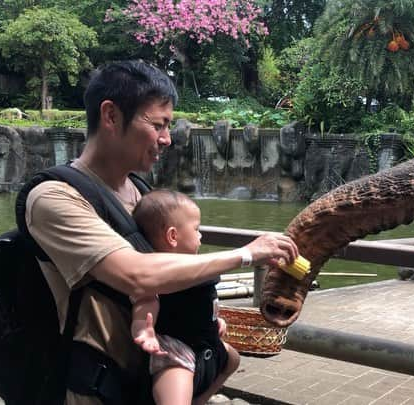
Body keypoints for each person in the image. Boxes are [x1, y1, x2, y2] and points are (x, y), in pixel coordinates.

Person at [24, 60, 298, 404]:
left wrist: (199, 321)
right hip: (94, 390)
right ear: (111, 116)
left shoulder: (142, 193)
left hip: (141, 382)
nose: (167, 139)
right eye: (159, 125)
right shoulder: (54, 197)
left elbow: (165, 280)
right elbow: (136, 275)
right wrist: (246, 254)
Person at [130, 189, 239, 405]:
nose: (201, 235)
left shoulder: (198, 268)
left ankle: (200, 400)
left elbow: (206, 302)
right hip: (177, 352)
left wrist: (216, 320)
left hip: (207, 343)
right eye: (197, 229)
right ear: (173, 236)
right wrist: (144, 328)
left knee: (233, 359)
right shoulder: (162, 271)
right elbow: (146, 299)